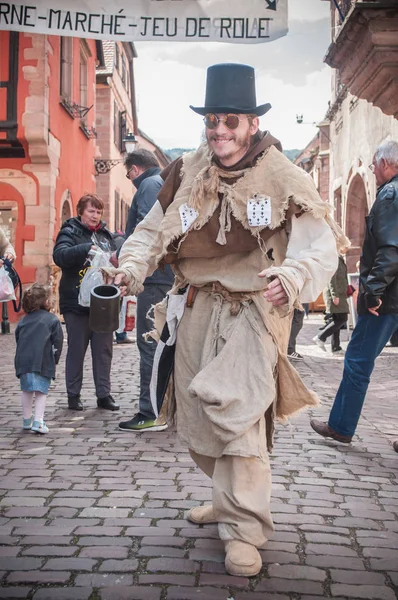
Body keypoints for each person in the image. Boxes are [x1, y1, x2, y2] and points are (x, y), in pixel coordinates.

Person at [104, 63, 341, 577]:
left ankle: (244, 529)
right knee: (197, 416)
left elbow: (322, 251)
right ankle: (227, 497)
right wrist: (131, 267)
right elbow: (150, 231)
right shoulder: (188, 170)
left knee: (238, 417)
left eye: (231, 121)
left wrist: (293, 277)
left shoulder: (283, 175)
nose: (219, 131)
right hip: (194, 307)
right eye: (213, 120)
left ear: (251, 124)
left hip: (255, 308)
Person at [311, 140, 398, 444]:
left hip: (386, 300)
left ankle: (341, 426)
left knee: (358, 361)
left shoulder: (390, 195)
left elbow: (390, 250)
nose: (373, 170)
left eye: (375, 164)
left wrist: (372, 291)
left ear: (387, 163)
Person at [117, 149, 174, 432]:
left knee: (150, 343)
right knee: (162, 345)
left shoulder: (149, 186)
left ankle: (149, 412)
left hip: (155, 280)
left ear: (136, 169)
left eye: (128, 174)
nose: (129, 180)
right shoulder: (158, 184)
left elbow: (151, 234)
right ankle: (161, 409)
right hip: (161, 279)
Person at [53, 193, 119, 412]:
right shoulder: (69, 232)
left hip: (102, 302)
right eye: (91, 211)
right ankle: (74, 395)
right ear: (80, 212)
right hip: (75, 302)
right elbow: (60, 256)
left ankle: (104, 394)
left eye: (99, 212)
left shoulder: (105, 235)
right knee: (76, 349)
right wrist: (85, 249)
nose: (95, 216)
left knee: (103, 350)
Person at [15, 284, 63, 434]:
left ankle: (26, 419)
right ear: (46, 302)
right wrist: (55, 358)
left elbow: (18, 338)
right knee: (41, 392)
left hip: (23, 360)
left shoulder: (23, 321)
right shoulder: (52, 320)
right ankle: (38, 421)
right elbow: (58, 342)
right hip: (42, 361)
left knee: (27, 391)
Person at [312, 252, 349, 353]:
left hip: (339, 293)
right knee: (342, 318)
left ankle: (335, 348)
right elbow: (331, 278)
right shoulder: (334, 258)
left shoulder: (339, 257)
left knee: (336, 319)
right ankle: (320, 337)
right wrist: (334, 295)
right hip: (335, 294)